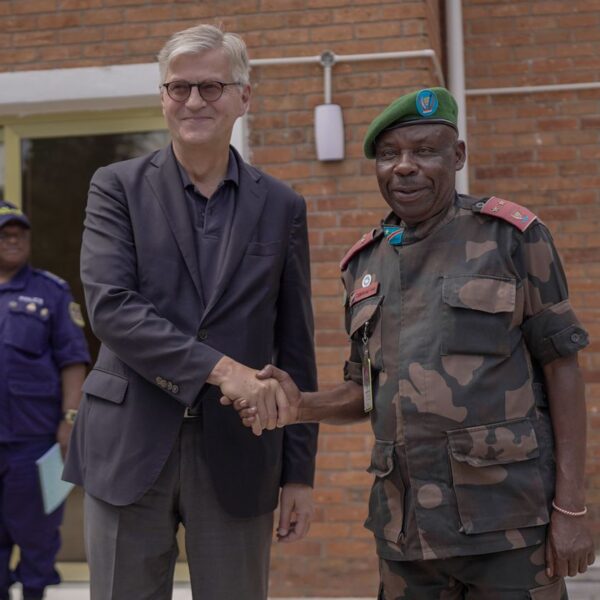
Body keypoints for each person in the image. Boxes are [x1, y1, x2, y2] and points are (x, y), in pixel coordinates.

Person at [229, 88, 596, 599]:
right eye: (389, 154)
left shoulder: (512, 238)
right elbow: (363, 390)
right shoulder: (363, 265)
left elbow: (563, 370)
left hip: (509, 527)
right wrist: (298, 406)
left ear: (458, 156)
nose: (404, 167)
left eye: (425, 151)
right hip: (406, 535)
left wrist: (572, 508)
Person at [62, 23, 318, 600]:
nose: (194, 101)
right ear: (162, 96)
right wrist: (224, 370)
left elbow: (295, 342)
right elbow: (112, 308)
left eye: (211, 87)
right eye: (179, 88)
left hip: (241, 453)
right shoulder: (116, 187)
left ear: (243, 97)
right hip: (128, 443)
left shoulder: (282, 206)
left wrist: (299, 472)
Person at [0, 201, 89, 600]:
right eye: (4, 232)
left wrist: (70, 418)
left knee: (37, 541)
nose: (14, 238)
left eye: (20, 232)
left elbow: (73, 361)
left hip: (33, 444)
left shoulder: (51, 292)